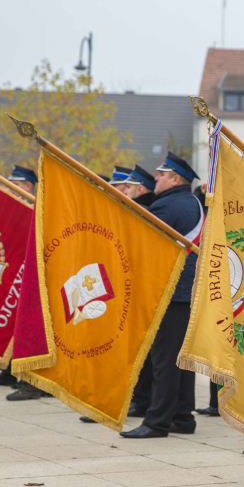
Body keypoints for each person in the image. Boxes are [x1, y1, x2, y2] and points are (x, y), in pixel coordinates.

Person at [120, 153, 202, 438]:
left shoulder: (169, 205)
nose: (155, 178)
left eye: (161, 175)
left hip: (171, 290)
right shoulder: (187, 201)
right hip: (181, 291)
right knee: (180, 360)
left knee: (164, 360)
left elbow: (144, 242)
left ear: (175, 179)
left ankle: (157, 422)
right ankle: (182, 416)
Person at [80, 165, 158, 424]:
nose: (120, 190)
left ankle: (128, 400)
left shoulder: (142, 211)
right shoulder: (121, 210)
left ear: (139, 189)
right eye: (119, 186)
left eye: (125, 186)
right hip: (110, 286)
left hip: (127, 289)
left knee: (126, 352)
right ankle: (123, 400)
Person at [0, 166, 52, 401]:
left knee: (33, 331)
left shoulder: (37, 208)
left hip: (37, 280)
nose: (12, 187)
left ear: (28, 185)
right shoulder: (20, 209)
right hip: (21, 276)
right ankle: (21, 376)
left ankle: (33, 383)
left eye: (17, 183)